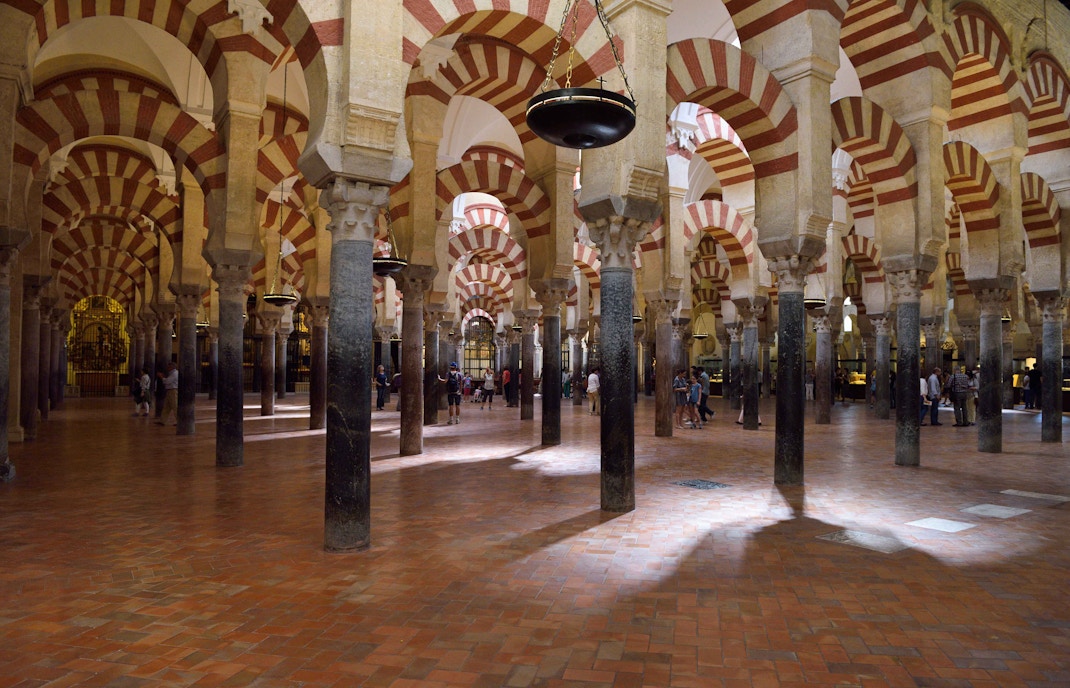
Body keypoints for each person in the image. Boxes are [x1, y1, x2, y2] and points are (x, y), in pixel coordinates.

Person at [156, 361, 178, 426]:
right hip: (169, 391)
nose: (167, 368)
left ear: (172, 367)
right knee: (166, 407)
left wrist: (161, 377)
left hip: (173, 391)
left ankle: (179, 421)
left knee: (175, 406)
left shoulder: (175, 373)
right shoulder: (172, 373)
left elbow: (167, 381)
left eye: (168, 366)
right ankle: (162, 421)